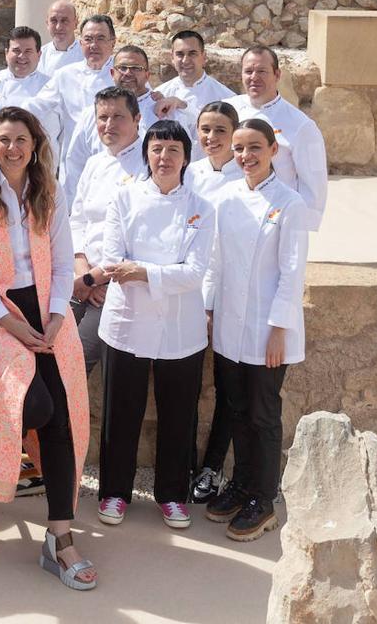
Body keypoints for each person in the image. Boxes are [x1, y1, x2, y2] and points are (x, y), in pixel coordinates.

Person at [0, 105, 94, 591]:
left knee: (62, 414)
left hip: (47, 310)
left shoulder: (46, 194)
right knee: (35, 404)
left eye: (20, 140)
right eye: (3, 140)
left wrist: (58, 316)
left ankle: (59, 537)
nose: (11, 148)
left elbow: (60, 263)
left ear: (35, 145)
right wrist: (10, 325)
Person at [96, 120, 215, 531]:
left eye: (173, 151)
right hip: (126, 323)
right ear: (146, 153)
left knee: (178, 415)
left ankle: (172, 495)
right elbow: (113, 261)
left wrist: (142, 271)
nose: (164, 158)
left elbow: (195, 272)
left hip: (181, 330)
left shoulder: (202, 207)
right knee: (120, 413)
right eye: (157, 149)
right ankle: (113, 491)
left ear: (186, 158)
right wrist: (164, 273)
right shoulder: (124, 199)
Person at [202, 119, 308, 542]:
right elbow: (214, 261)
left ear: (273, 151)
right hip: (229, 325)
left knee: (263, 414)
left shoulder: (289, 203)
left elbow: (292, 272)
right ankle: (242, 484)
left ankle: (264, 499)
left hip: (268, 329)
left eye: (254, 148)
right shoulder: (225, 198)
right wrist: (208, 310)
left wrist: (279, 329)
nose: (245, 156)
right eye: (240, 148)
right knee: (236, 408)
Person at [185, 101, 241, 503]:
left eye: (220, 130)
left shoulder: (247, 178)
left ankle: (212, 467)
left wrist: (211, 303)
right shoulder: (190, 173)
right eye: (205, 129)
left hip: (230, 294)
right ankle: (185, 465)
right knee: (184, 385)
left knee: (227, 387)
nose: (211, 138)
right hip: (189, 290)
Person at [69, 87, 145, 377]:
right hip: (82, 280)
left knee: (74, 364)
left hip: (114, 289)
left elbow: (136, 238)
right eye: (103, 117)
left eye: (118, 117)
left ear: (137, 118)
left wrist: (97, 280)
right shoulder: (95, 163)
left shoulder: (146, 165)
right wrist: (81, 272)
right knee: (49, 356)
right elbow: (78, 220)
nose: (109, 125)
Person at [61, 44, 191, 204]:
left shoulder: (165, 110)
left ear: (147, 74)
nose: (128, 73)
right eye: (122, 67)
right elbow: (75, 163)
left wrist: (180, 103)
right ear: (112, 72)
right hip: (97, 199)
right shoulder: (91, 113)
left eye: (136, 68)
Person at [230, 45, 327, 231]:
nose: (254, 77)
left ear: (277, 75)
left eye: (262, 71)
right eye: (248, 71)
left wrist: (298, 228)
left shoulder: (301, 125)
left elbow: (314, 184)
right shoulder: (228, 111)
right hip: (233, 213)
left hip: (275, 218)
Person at [32, 14, 117, 160]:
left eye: (100, 38)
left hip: (114, 158)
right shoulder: (65, 75)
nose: (93, 45)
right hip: (74, 161)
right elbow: (37, 106)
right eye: (88, 39)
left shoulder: (126, 75)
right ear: (81, 43)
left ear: (113, 43)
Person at [156, 30, 235, 137]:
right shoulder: (160, 93)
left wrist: (183, 105)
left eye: (192, 54)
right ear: (172, 58)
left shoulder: (226, 97)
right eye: (180, 54)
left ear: (204, 57)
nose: (185, 60)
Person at [38, 0, 84, 76]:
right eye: (54, 21)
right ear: (47, 24)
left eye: (64, 21)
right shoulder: (39, 57)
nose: (58, 27)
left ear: (75, 23)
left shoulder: (87, 55)